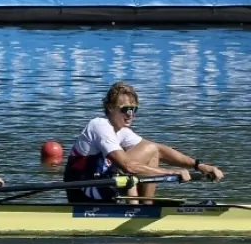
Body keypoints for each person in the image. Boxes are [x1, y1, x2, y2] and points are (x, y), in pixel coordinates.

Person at [64, 81, 223, 203]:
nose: (130, 115)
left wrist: (199, 165)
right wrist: (171, 173)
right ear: (110, 107)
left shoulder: (122, 132)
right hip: (83, 192)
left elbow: (159, 151)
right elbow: (129, 166)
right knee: (131, 164)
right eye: (125, 109)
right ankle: (138, 209)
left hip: (101, 186)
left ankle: (145, 208)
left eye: (134, 110)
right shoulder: (100, 125)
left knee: (152, 152)